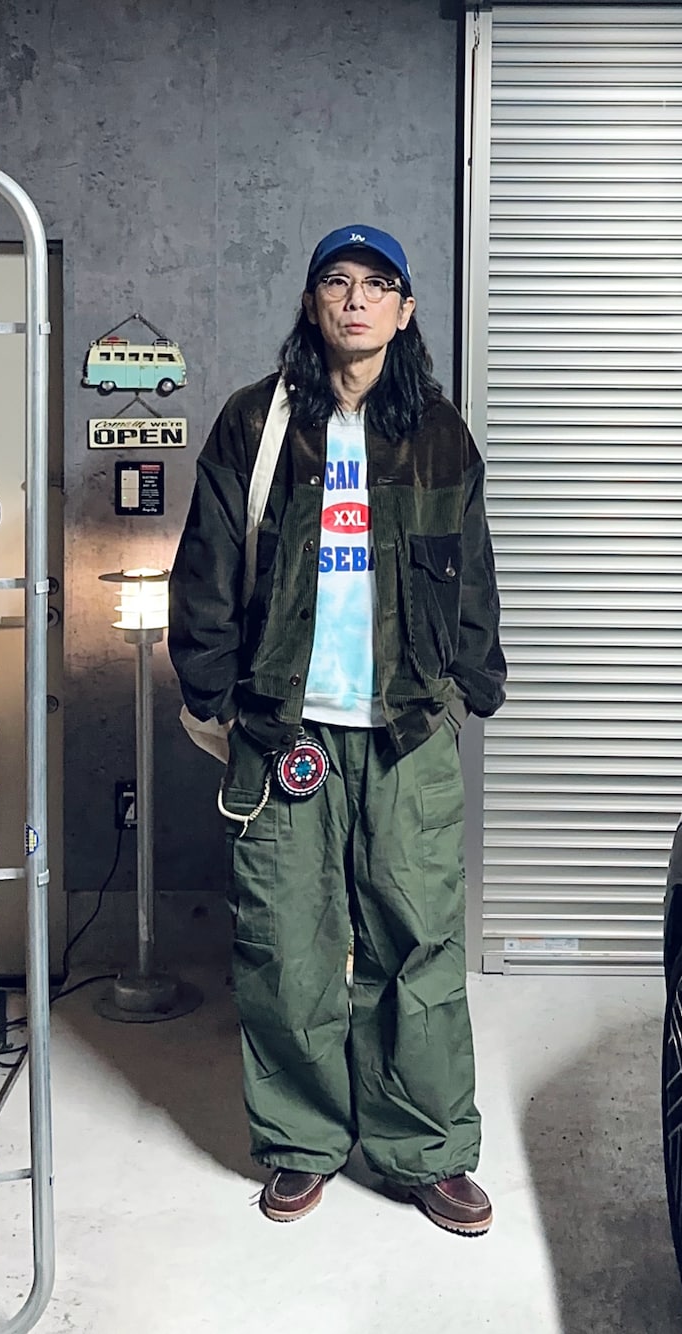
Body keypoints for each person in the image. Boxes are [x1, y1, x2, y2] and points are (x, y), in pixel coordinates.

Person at [168, 224, 506, 1234]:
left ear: (404, 311)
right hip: (287, 727)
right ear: (313, 304)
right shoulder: (256, 422)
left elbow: (472, 570)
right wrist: (213, 691)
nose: (355, 299)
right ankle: (302, 1141)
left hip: (406, 729)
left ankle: (426, 1148)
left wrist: (470, 683)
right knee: (286, 943)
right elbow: (206, 563)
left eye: (376, 284)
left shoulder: (438, 433)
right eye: (336, 281)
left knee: (419, 941)